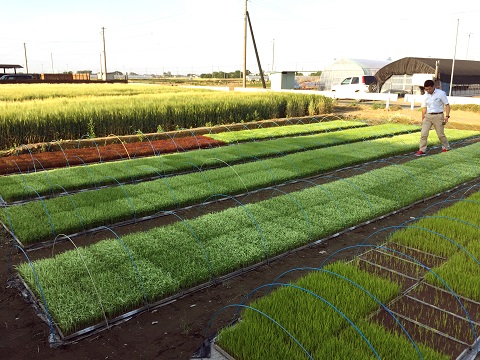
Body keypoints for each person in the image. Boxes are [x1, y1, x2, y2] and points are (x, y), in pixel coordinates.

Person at [415, 79, 450, 156]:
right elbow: (424, 108)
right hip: (428, 116)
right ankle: (422, 149)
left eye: (429, 89)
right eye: (426, 89)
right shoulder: (425, 96)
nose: (428, 90)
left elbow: (447, 105)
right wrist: (423, 119)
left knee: (440, 134)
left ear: (433, 86)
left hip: (438, 116)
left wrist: (447, 116)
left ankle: (446, 147)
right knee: (423, 134)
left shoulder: (441, 93)